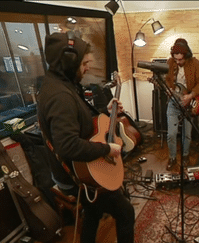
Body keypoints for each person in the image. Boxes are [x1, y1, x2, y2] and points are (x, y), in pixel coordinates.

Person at [37, 32, 134, 243]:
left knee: (93, 213)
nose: (87, 67)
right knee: (125, 212)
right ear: (69, 62)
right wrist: (107, 150)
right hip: (80, 174)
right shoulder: (60, 96)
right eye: (84, 63)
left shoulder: (61, 83)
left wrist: (107, 113)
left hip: (83, 169)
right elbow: (68, 145)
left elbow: (81, 123)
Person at [165, 38, 199, 170]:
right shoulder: (170, 63)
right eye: (176, 59)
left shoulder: (194, 63)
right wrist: (168, 89)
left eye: (180, 59)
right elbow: (167, 81)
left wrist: (191, 96)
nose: (178, 62)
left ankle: (186, 155)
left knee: (187, 134)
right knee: (171, 134)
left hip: (189, 102)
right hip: (173, 102)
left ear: (186, 55)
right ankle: (172, 158)